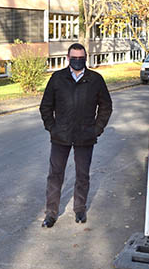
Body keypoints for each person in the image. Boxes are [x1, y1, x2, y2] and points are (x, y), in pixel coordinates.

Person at [39, 43, 112, 228]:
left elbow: (106, 106)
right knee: (55, 175)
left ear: (85, 58)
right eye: (74, 58)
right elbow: (46, 106)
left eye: (81, 58)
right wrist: (52, 128)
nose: (77, 61)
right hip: (60, 136)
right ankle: (51, 213)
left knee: (82, 175)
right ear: (68, 58)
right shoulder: (57, 78)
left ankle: (80, 209)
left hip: (85, 135)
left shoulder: (95, 79)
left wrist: (97, 129)